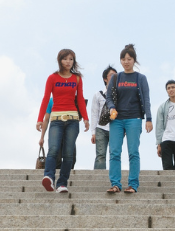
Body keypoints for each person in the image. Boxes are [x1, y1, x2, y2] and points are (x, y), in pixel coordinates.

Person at [36, 49, 90, 193]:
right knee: (53, 149)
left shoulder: (77, 78)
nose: (68, 62)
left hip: (73, 120)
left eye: (71, 59)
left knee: (68, 154)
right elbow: (46, 98)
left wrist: (85, 118)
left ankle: (62, 184)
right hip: (56, 120)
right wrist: (40, 119)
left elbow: (80, 99)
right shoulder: (52, 78)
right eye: (65, 59)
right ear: (60, 60)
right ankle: (49, 177)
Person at [105, 44, 153, 194]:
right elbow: (108, 97)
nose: (126, 62)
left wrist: (149, 118)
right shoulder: (115, 77)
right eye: (123, 59)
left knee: (133, 152)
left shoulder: (141, 78)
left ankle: (133, 184)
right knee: (114, 152)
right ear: (120, 60)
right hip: (117, 119)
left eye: (129, 59)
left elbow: (146, 99)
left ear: (134, 60)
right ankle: (115, 184)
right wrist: (111, 107)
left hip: (134, 118)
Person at [90, 66, 117, 170]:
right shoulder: (98, 95)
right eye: (112, 75)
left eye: (116, 75)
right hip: (101, 128)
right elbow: (94, 114)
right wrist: (93, 132)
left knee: (115, 154)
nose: (114, 77)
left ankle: (114, 177)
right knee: (100, 155)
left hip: (116, 127)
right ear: (105, 79)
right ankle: (98, 177)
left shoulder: (120, 94)